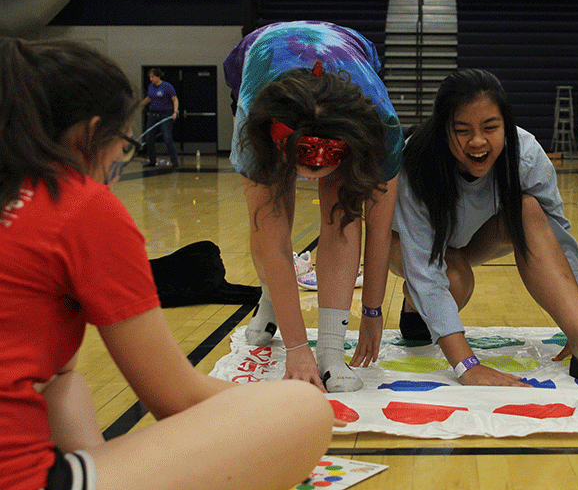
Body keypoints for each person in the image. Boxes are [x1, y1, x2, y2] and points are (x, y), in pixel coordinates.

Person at [0, 38, 332, 490]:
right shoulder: (79, 206)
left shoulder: (15, 197)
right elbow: (175, 397)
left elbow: (57, 371)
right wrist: (269, 408)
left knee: (66, 381)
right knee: (301, 410)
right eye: (125, 142)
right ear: (90, 134)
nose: (122, 158)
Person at [388, 69, 578, 392]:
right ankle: (413, 304)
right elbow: (424, 266)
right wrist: (467, 365)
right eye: (462, 130)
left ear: (506, 124)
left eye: (490, 127)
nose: (477, 142)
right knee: (456, 281)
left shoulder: (526, 154)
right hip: (408, 246)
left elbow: (557, 232)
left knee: (530, 209)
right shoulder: (417, 162)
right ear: (442, 130)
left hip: (468, 241)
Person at [224, 21, 403, 392]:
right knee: (273, 215)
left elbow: (378, 231)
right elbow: (270, 238)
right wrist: (296, 349)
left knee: (342, 212)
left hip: (349, 51)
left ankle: (332, 352)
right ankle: (269, 298)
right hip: (261, 55)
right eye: (303, 156)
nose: (315, 169)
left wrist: (372, 312)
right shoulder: (253, 121)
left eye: (331, 155)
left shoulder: (382, 126)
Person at [140, 67, 179, 168]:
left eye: (152, 76)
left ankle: (174, 161)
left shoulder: (167, 86)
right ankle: (152, 161)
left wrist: (175, 112)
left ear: (158, 76)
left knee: (167, 138)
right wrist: (139, 105)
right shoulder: (151, 87)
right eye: (150, 77)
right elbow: (149, 98)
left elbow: (175, 100)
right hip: (153, 115)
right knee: (149, 139)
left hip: (165, 114)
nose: (151, 79)